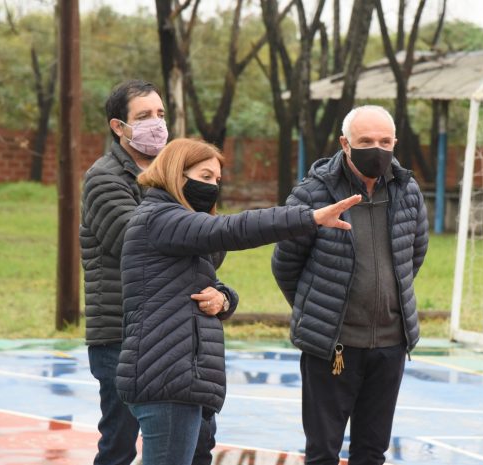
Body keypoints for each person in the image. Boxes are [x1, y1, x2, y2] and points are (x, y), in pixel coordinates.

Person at [116, 138, 361, 465]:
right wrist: (309, 218)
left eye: (217, 180)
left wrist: (224, 298)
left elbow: (203, 283)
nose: (212, 186)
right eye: (204, 176)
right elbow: (233, 228)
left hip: (188, 380)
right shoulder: (159, 218)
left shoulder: (177, 230)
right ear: (176, 173)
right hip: (167, 380)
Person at [271, 105, 429, 465]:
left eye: (385, 141)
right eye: (366, 141)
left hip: (390, 346)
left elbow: (414, 254)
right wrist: (319, 309)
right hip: (332, 346)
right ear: (345, 143)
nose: (377, 148)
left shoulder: (408, 190)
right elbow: (285, 264)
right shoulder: (313, 194)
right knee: (322, 452)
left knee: (372, 452)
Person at [79, 79, 227, 465]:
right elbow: (145, 245)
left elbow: (207, 255)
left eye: (160, 114)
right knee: (119, 446)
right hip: (122, 335)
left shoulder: (180, 178)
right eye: (143, 116)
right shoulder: (104, 178)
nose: (156, 123)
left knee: (199, 443)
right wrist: (204, 227)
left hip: (179, 337)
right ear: (118, 127)